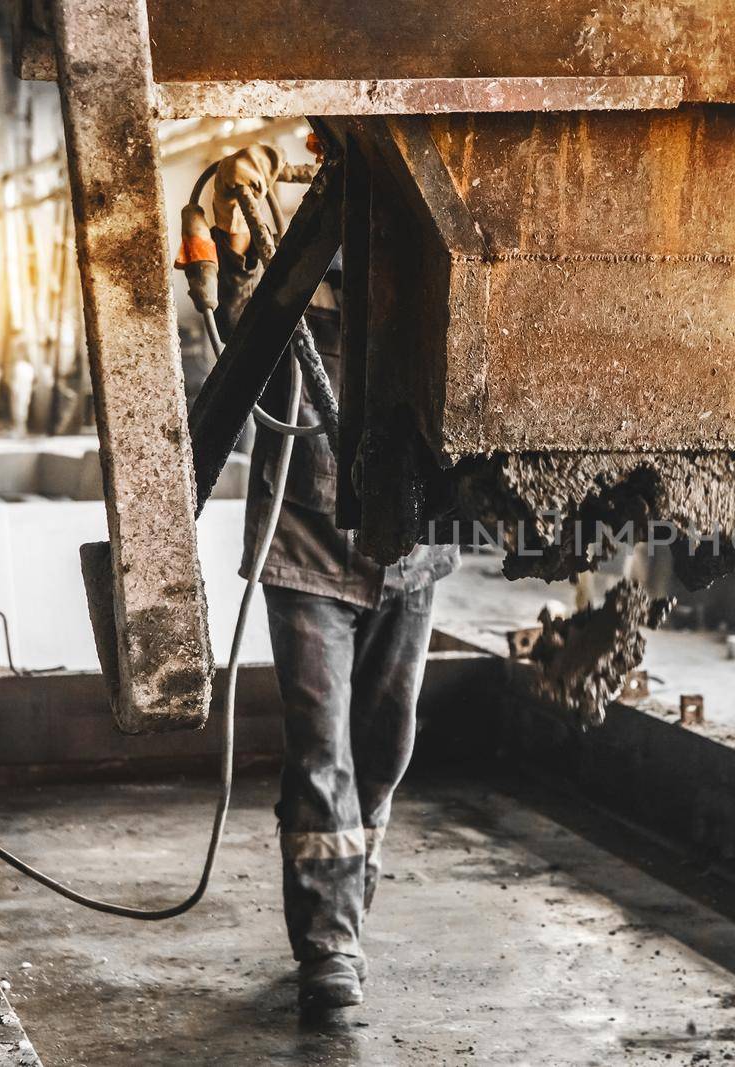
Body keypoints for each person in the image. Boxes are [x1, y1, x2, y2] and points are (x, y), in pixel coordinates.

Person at [209, 145, 459, 1011]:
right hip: (308, 538)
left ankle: (354, 892)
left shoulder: (437, 238)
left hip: (411, 543)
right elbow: (242, 313)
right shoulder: (301, 217)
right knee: (323, 750)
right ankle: (328, 945)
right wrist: (237, 227)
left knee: (384, 746)